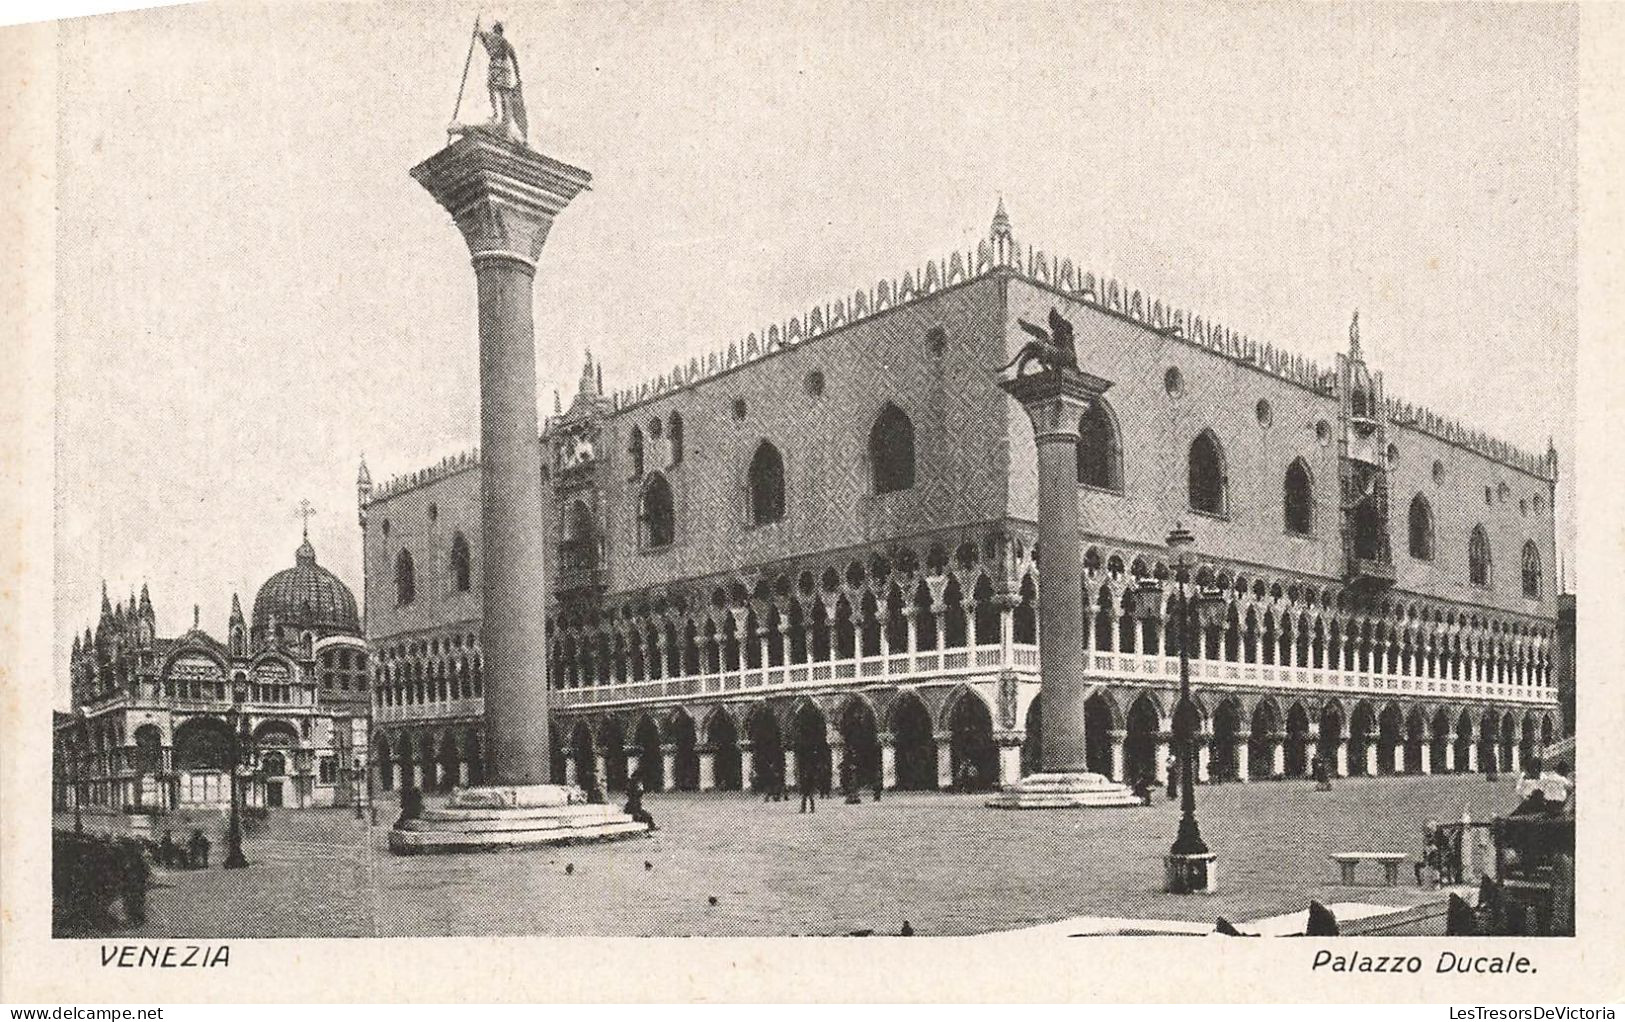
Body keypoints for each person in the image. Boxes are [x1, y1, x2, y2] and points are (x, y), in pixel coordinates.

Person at [475, 22, 528, 142]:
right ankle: (499, 116)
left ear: (496, 31)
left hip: (496, 66)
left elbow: (482, 36)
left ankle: (496, 114)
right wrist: (518, 77)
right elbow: (515, 62)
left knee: (494, 90)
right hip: (503, 68)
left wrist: (477, 30)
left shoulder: (496, 40)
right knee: (500, 92)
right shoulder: (505, 43)